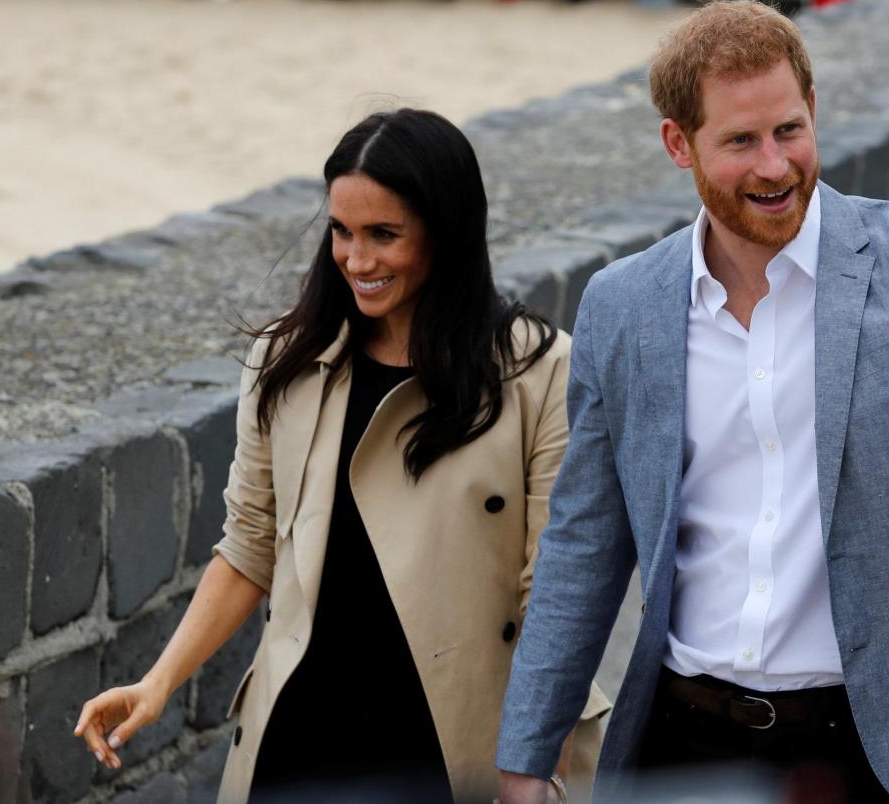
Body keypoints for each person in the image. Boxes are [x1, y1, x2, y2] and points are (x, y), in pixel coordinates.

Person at [495, 0, 889, 804]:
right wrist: (527, 754)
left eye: (789, 130)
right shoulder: (622, 305)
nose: (775, 166)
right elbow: (584, 543)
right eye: (739, 141)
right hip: (686, 739)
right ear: (678, 143)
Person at [73, 109, 609, 804]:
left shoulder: (540, 373)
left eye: (384, 235)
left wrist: (537, 766)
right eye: (341, 232)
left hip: (454, 746)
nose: (357, 260)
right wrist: (158, 681)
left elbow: (555, 600)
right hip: (302, 736)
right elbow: (248, 549)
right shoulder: (285, 362)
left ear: (445, 230)